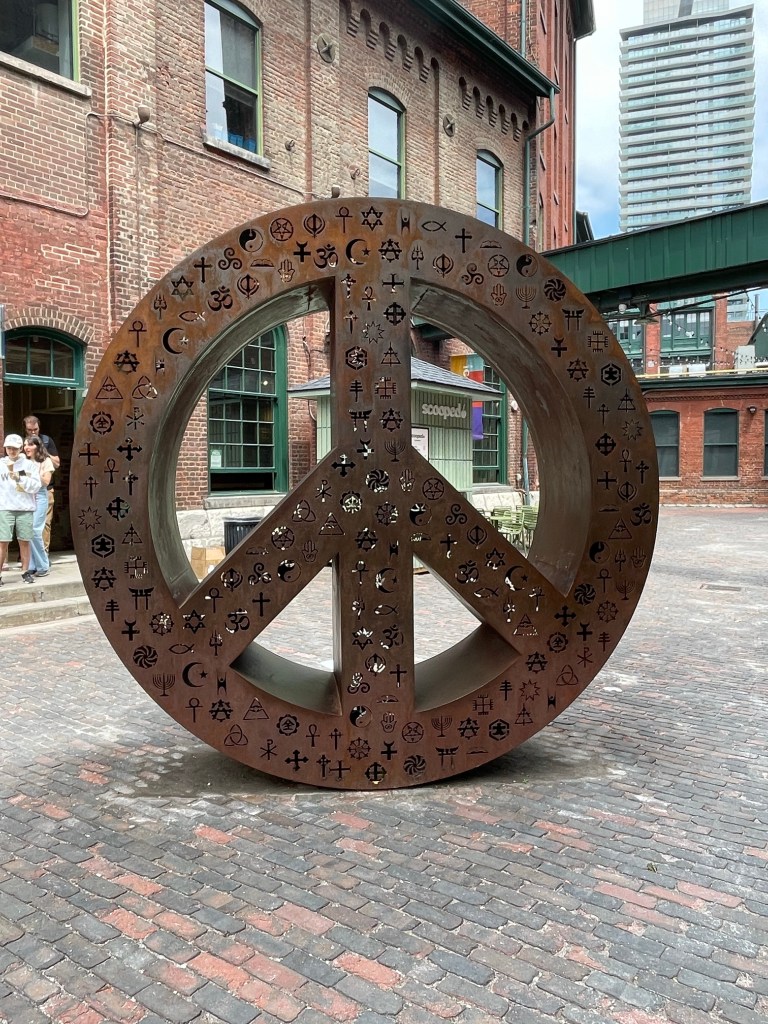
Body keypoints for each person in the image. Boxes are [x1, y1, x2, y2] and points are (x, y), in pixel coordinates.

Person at [0, 433, 42, 585]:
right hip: (5, 507)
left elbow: (36, 486)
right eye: (9, 448)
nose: (12, 451)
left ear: (20, 449)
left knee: (24, 541)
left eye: (15, 448)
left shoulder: (28, 465)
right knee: (3, 541)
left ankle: (25, 572)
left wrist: (19, 478)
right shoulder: (1, 464)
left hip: (25, 507)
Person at [23, 415, 59, 551]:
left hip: (45, 489)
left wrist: (42, 451)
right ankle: (27, 554)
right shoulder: (23, 443)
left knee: (44, 524)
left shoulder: (46, 440)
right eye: (29, 430)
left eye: (35, 429)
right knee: (26, 524)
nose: (33, 432)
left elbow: (57, 463)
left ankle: (43, 553)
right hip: (26, 491)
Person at [22, 436, 53, 579]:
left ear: (37, 446)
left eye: (30, 445)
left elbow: (46, 481)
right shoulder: (24, 461)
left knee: (35, 530)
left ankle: (43, 565)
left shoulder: (45, 461)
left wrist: (34, 473)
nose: (26, 448)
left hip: (40, 495)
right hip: (26, 495)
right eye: (25, 445)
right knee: (28, 531)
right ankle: (32, 565)